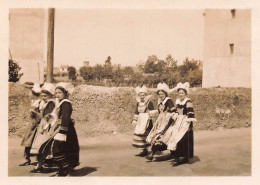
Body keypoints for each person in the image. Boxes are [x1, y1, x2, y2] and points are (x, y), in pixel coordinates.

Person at [45, 82, 79, 176]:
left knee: (58, 150)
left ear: (65, 93)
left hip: (65, 130)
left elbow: (65, 118)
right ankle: (62, 171)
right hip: (61, 129)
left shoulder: (66, 104)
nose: (57, 95)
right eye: (56, 93)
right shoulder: (60, 103)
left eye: (60, 92)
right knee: (60, 150)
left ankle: (65, 171)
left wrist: (63, 132)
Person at [166, 82, 196, 166]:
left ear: (185, 93)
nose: (181, 94)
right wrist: (173, 115)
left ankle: (184, 156)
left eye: (182, 93)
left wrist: (187, 122)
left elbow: (190, 113)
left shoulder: (188, 102)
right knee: (175, 136)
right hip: (178, 120)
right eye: (179, 93)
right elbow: (176, 111)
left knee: (183, 138)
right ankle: (176, 155)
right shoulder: (178, 101)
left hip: (185, 121)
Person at [146, 82, 178, 161]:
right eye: (159, 94)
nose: (161, 95)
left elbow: (173, 110)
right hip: (160, 121)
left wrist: (170, 117)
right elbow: (160, 111)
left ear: (165, 93)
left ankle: (171, 153)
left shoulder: (168, 101)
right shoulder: (159, 100)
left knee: (163, 136)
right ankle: (153, 153)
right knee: (155, 135)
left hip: (167, 121)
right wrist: (154, 111)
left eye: (162, 94)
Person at [29, 83, 56, 173]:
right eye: (42, 95)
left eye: (45, 95)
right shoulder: (45, 103)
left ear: (50, 95)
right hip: (43, 125)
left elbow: (48, 116)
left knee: (43, 146)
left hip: (46, 126)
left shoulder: (51, 103)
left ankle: (41, 165)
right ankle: (39, 165)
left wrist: (37, 114)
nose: (43, 97)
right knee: (41, 147)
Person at [19, 83, 42, 166]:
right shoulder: (33, 101)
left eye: (36, 94)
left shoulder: (40, 102)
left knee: (36, 142)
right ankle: (26, 158)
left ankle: (39, 160)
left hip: (37, 124)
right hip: (32, 123)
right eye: (33, 93)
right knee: (28, 141)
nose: (34, 95)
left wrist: (34, 112)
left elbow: (41, 114)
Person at [131, 85, 154, 157]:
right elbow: (136, 112)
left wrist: (149, 118)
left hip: (147, 120)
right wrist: (134, 120)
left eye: (143, 95)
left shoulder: (148, 102)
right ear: (139, 96)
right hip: (140, 120)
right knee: (141, 135)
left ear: (145, 95)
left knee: (147, 134)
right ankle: (144, 150)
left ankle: (151, 151)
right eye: (140, 95)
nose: (142, 96)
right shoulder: (138, 103)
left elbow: (151, 111)